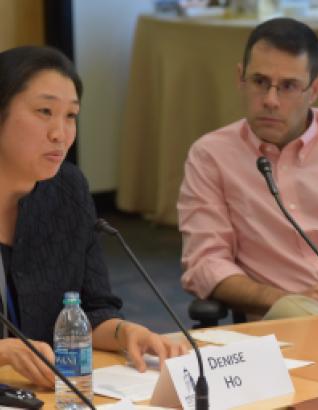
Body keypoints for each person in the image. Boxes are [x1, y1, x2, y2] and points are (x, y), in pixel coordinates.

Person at [177, 18, 318, 321]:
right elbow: (206, 263)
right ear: (240, 78)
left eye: (288, 86)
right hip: (290, 325)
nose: (270, 101)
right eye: (259, 82)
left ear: (314, 89)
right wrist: (284, 300)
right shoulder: (212, 156)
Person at [0, 45, 186, 389]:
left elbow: (93, 307)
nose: (61, 133)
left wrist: (124, 331)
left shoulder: (68, 189)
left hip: (52, 395)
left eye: (71, 115)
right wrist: (4, 352)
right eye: (44, 111)